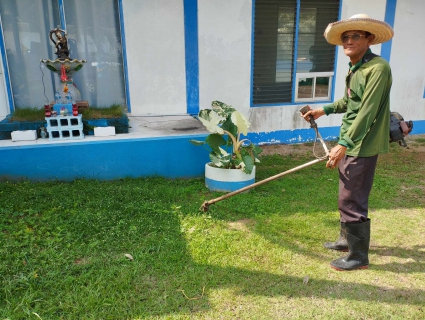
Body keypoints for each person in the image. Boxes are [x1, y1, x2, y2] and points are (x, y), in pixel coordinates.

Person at [302, 14, 400, 271]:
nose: (348, 40)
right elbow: (351, 101)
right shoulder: (357, 66)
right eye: (345, 37)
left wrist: (344, 143)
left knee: (352, 198)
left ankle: (358, 257)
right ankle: (346, 241)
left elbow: (367, 111)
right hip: (351, 139)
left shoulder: (378, 68)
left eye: (355, 36)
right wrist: (325, 110)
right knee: (348, 192)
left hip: (362, 143)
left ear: (369, 39)